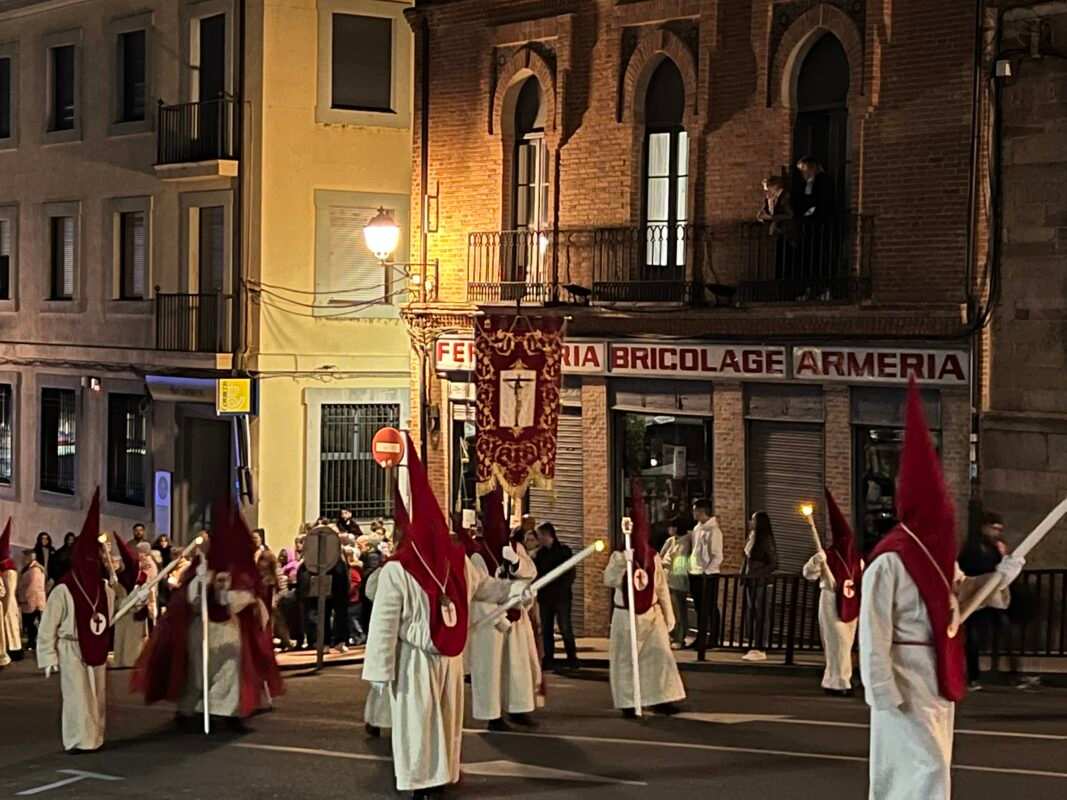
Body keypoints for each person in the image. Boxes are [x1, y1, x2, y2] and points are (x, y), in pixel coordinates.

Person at [860, 383, 1025, 800]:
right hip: (904, 671)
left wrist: (1000, 577)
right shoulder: (890, 560)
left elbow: (960, 597)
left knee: (934, 760)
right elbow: (873, 629)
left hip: (936, 669)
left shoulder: (937, 556)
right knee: (922, 762)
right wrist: (881, 688)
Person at [363, 435, 520, 799]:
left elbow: (484, 589)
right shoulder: (399, 570)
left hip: (443, 657)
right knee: (420, 722)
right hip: (414, 659)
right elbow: (384, 625)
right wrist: (380, 672)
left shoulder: (454, 564)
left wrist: (515, 591)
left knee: (443, 721)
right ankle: (421, 782)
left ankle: (441, 776)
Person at [132, 500, 284, 731]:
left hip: (227, 630)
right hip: (202, 629)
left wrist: (229, 594)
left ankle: (225, 712)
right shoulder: (198, 570)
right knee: (197, 674)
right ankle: (189, 709)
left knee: (229, 672)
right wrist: (203, 583)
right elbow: (190, 599)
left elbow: (242, 597)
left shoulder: (236, 573)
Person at [36, 492, 138, 752]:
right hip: (71, 648)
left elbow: (117, 611)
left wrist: (138, 596)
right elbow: (48, 625)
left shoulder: (104, 589)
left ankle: (94, 737)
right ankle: (78, 740)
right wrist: (48, 656)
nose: (95, 562)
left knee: (96, 696)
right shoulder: (64, 589)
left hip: (96, 646)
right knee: (77, 697)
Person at [605, 482, 685, 717]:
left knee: (659, 657)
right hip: (625, 616)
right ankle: (629, 702)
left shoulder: (653, 558)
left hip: (651, 615)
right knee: (625, 661)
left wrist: (669, 616)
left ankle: (661, 698)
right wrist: (623, 563)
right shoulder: (619, 557)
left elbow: (661, 587)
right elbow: (608, 579)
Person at [468, 488, 541, 731]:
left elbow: (530, 573)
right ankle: (493, 715)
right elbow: (479, 589)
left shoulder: (514, 547)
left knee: (518, 666)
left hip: (516, 615)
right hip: (491, 620)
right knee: (491, 669)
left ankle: (519, 708)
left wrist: (516, 562)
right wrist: (502, 610)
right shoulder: (478, 554)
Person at [802, 490, 862, 695]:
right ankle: (840, 682)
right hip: (830, 600)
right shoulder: (827, 555)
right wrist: (815, 562)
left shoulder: (857, 560)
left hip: (851, 604)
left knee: (846, 644)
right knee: (837, 643)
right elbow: (808, 575)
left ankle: (836, 679)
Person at [958, 510, 1011, 689]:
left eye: (999, 529)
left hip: (990, 593)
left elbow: (1000, 567)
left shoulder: (994, 546)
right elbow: (969, 565)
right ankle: (973, 676)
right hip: (976, 592)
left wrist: (1003, 556)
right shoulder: (974, 545)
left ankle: (1010, 672)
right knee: (972, 636)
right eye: (993, 528)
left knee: (1002, 627)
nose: (996, 533)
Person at [533, 522, 579, 672]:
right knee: (547, 629)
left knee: (565, 627)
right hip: (545, 598)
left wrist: (561, 589)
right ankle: (549, 659)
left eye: (540, 535)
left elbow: (570, 574)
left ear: (547, 535)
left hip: (561, 598)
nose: (538, 539)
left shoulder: (563, 552)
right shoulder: (540, 554)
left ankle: (572, 658)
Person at [687, 499, 723, 661]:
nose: (693, 513)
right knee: (699, 608)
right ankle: (701, 638)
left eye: (695, 510)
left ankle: (713, 638)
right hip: (695, 573)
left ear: (702, 511)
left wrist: (707, 572)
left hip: (707, 575)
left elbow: (717, 555)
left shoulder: (713, 531)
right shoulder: (697, 528)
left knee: (709, 607)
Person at [741, 511, 778, 661]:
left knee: (761, 614)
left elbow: (774, 563)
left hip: (760, 582)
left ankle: (761, 646)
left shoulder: (765, 540)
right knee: (753, 613)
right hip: (750, 581)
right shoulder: (751, 537)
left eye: (753, 520)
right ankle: (753, 644)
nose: (750, 522)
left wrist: (756, 573)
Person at [659, 517, 691, 649]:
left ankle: (679, 637)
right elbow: (661, 556)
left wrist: (666, 563)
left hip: (677, 581)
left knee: (678, 610)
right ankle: (671, 635)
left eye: (671, 527)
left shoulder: (685, 542)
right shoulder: (670, 541)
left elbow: (680, 564)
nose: (669, 529)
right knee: (669, 609)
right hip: (666, 579)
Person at [18, 548, 47, 652]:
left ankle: (33, 643)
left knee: (32, 624)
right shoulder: (31, 569)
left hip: (32, 602)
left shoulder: (34, 570)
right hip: (32, 601)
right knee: (32, 624)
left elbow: (33, 588)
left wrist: (23, 599)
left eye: (25, 556)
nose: (24, 559)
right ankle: (33, 643)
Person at [0, 519, 20, 665]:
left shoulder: (7, 569)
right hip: (8, 600)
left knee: (8, 628)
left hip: (6, 601)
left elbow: (5, 590)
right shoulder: (9, 567)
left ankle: (11, 651)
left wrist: (5, 604)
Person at [795, 156, 835, 221]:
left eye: (802, 169)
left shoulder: (823, 180)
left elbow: (820, 202)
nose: (801, 173)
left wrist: (807, 214)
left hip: (820, 218)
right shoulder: (808, 181)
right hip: (812, 216)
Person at [344, 546, 366, 646]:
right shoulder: (349, 568)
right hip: (350, 599)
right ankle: (355, 637)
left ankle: (360, 635)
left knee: (354, 619)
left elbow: (356, 582)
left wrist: (348, 592)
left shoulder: (353, 569)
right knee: (350, 619)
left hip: (354, 599)